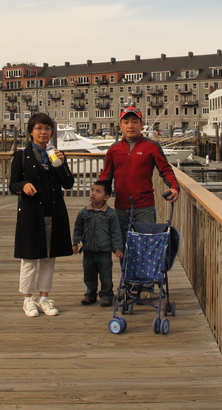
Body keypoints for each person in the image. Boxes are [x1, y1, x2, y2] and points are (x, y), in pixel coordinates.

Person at [9, 113, 74, 317]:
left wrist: (63, 164)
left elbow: (68, 184)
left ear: (51, 131)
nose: (43, 132)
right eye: (38, 128)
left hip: (53, 212)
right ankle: (28, 300)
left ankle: (44, 298)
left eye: (46, 128)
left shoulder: (56, 155)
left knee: (48, 258)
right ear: (31, 132)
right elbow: (12, 184)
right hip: (31, 213)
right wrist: (23, 185)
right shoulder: (21, 156)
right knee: (29, 258)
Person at [99, 106, 179, 243]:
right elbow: (105, 176)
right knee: (122, 247)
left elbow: (165, 170)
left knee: (145, 247)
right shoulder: (113, 149)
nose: (130, 126)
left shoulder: (152, 146)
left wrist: (174, 187)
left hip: (144, 207)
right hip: (120, 206)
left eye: (135, 122)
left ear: (142, 124)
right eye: (126, 122)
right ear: (120, 125)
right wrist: (97, 197)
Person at [72, 180, 124, 307]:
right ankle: (90, 294)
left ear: (106, 197)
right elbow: (78, 229)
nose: (93, 193)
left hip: (104, 251)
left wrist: (118, 248)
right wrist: (75, 242)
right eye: (92, 190)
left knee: (106, 275)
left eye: (98, 192)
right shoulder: (84, 212)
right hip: (88, 250)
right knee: (89, 274)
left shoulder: (111, 214)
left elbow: (116, 233)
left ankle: (106, 295)